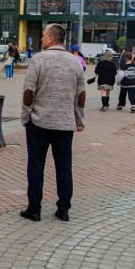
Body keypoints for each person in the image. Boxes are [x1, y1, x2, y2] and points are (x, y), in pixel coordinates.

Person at [21, 23, 85, 222]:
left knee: (36, 165)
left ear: (50, 38)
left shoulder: (38, 59)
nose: (41, 39)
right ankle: (63, 209)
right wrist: (79, 120)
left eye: (42, 36)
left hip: (39, 122)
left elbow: (28, 92)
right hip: (65, 124)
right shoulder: (75, 62)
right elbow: (81, 95)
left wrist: (26, 117)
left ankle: (34, 209)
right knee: (64, 166)